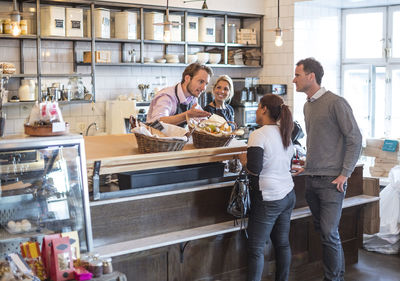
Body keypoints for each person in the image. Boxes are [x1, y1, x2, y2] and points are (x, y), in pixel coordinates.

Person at [293, 57, 362, 281]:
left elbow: (355, 139)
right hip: (311, 179)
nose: (294, 80)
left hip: (332, 181)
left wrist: (345, 173)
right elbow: (318, 141)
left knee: (329, 233)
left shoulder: (336, 102)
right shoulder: (307, 106)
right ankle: (335, 276)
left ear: (311, 76)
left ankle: (333, 278)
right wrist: (306, 164)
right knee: (324, 233)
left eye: (298, 75)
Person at [239, 94, 300, 281]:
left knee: (256, 249)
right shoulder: (285, 132)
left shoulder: (258, 134)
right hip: (288, 194)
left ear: (264, 109)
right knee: (282, 244)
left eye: (258, 107)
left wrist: (243, 160)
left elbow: (254, 169)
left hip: (269, 197)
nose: (257, 111)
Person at [146, 63, 213, 127]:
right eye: (201, 82)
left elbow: (202, 119)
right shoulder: (167, 96)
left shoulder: (192, 98)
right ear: (187, 78)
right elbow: (156, 124)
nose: (204, 88)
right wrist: (187, 115)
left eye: (206, 84)